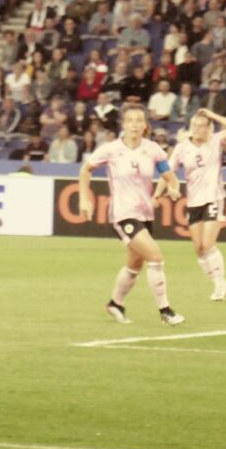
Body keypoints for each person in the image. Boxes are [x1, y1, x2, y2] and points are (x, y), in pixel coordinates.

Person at [78, 104, 185, 326]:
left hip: (145, 213)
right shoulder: (111, 149)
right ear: (123, 124)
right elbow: (85, 170)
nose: (135, 125)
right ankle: (165, 311)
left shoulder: (153, 149)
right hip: (123, 214)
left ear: (145, 125)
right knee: (155, 258)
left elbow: (170, 177)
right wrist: (84, 198)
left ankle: (115, 304)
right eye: (130, 120)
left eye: (139, 120)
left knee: (135, 264)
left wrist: (174, 188)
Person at [156, 109, 226, 301]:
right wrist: (158, 193)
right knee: (199, 249)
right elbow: (168, 172)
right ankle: (220, 283)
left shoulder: (215, 141)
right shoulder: (182, 148)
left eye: (202, 126)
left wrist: (213, 115)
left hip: (214, 197)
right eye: (195, 125)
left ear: (209, 128)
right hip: (193, 201)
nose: (197, 129)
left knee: (208, 244)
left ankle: (220, 285)